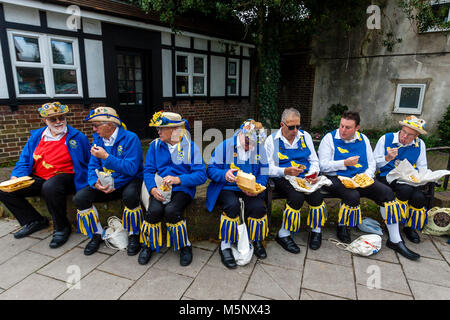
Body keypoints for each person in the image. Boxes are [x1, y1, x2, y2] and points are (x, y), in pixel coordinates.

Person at [317, 110, 420, 260]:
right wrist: (344, 163)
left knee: (387, 193)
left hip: (361, 178)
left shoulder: (363, 139)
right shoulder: (329, 138)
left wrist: (366, 177)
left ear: (357, 128)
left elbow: (371, 163)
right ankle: (342, 226)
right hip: (336, 178)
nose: (343, 130)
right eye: (341, 126)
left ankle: (395, 239)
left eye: (348, 127)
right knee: (352, 195)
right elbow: (323, 166)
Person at [0, 102, 90, 248]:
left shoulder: (78, 137)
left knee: (51, 186)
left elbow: (89, 161)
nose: (58, 122)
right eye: (53, 119)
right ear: (44, 121)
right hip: (41, 178)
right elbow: (24, 159)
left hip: (66, 177)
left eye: (61, 118)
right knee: (4, 189)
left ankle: (62, 228)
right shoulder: (37, 137)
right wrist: (17, 176)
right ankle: (34, 221)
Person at [73, 107, 144, 256]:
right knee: (80, 198)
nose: (94, 129)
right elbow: (92, 166)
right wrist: (95, 182)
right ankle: (97, 234)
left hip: (128, 181)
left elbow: (131, 169)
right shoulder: (98, 140)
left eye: (96, 125)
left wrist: (106, 157)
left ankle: (134, 234)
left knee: (130, 196)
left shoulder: (131, 138)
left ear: (110, 125)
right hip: (106, 183)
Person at [138, 111, 206, 266]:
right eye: (158, 128)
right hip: (160, 188)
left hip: (183, 189)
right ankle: (148, 245)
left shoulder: (190, 147)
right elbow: (148, 170)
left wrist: (179, 179)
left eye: (162, 128)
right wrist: (152, 189)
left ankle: (184, 246)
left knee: (172, 210)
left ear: (175, 130)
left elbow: (201, 175)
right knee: (153, 211)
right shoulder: (155, 146)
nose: (158, 131)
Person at [206, 119, 269, 269]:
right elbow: (210, 169)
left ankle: (256, 240)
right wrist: (224, 174)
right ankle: (225, 245)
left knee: (258, 207)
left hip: (249, 190)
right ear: (241, 134)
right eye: (248, 143)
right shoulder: (226, 146)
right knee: (232, 206)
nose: (250, 148)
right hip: (227, 187)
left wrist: (258, 186)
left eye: (253, 145)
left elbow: (264, 171)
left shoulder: (258, 149)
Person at [264, 108, 326, 251]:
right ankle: (284, 233)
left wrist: (312, 174)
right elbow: (267, 168)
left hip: (304, 177)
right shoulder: (271, 141)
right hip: (283, 177)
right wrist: (285, 170)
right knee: (296, 196)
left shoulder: (306, 137)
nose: (295, 130)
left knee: (316, 195)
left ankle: (316, 231)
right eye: (291, 127)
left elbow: (314, 161)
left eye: (298, 126)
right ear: (282, 125)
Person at [374, 115, 428, 243]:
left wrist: (419, 176)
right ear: (401, 128)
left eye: (410, 135)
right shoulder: (386, 139)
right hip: (386, 177)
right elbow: (373, 163)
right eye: (404, 132)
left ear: (416, 136)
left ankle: (409, 227)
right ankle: (393, 224)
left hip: (408, 180)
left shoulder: (420, 145)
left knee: (419, 198)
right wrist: (387, 158)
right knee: (405, 190)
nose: (404, 137)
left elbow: (422, 166)